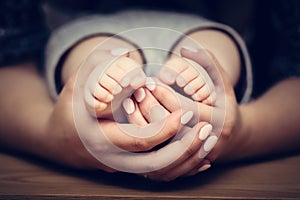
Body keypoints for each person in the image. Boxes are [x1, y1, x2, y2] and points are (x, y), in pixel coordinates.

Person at [0, 0, 299, 182]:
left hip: (199, 25)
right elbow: (10, 54)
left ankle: (116, 74)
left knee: (208, 46)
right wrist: (50, 132)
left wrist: (243, 130)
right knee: (96, 51)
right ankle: (106, 73)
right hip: (93, 27)